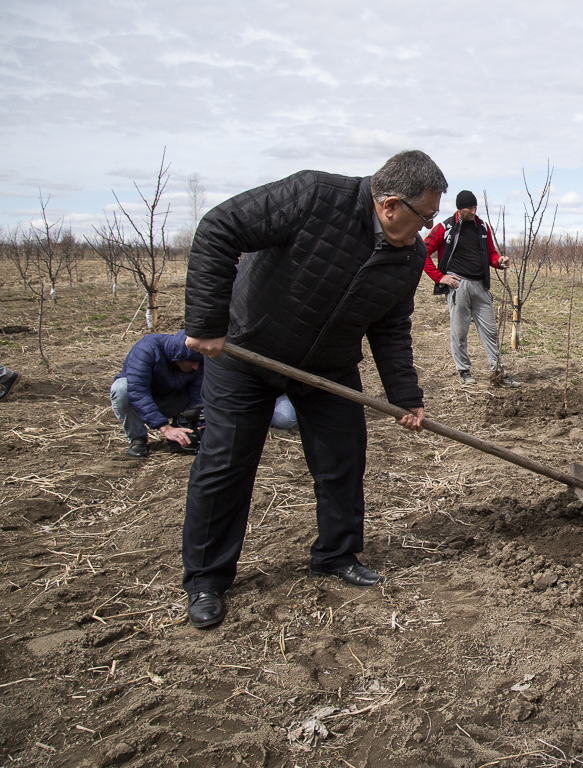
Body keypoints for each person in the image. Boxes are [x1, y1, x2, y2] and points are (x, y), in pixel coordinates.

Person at [181, 150, 446, 630]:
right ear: (390, 205)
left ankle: (335, 555)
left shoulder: (408, 257)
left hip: (329, 366)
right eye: (425, 217)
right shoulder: (313, 195)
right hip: (247, 352)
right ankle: (206, 579)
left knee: (342, 459)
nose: (428, 228)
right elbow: (220, 228)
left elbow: (390, 326)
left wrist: (405, 397)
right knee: (226, 463)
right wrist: (206, 322)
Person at [422, 190, 517, 387]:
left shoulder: (482, 227)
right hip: (459, 286)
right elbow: (423, 252)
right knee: (459, 332)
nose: (474, 211)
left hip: (480, 286)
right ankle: (464, 371)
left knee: (491, 331)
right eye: (470, 208)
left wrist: (498, 261)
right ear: (459, 209)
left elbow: (490, 253)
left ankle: (498, 372)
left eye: (475, 207)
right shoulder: (444, 228)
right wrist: (440, 277)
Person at [109, 330, 204, 457]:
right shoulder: (147, 349)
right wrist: (165, 428)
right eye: (192, 362)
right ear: (178, 355)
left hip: (172, 400)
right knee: (121, 388)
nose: (195, 367)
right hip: (142, 403)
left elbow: (198, 395)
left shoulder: (198, 363)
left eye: (198, 363)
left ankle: (182, 426)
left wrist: (200, 426)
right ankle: (137, 438)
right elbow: (138, 392)